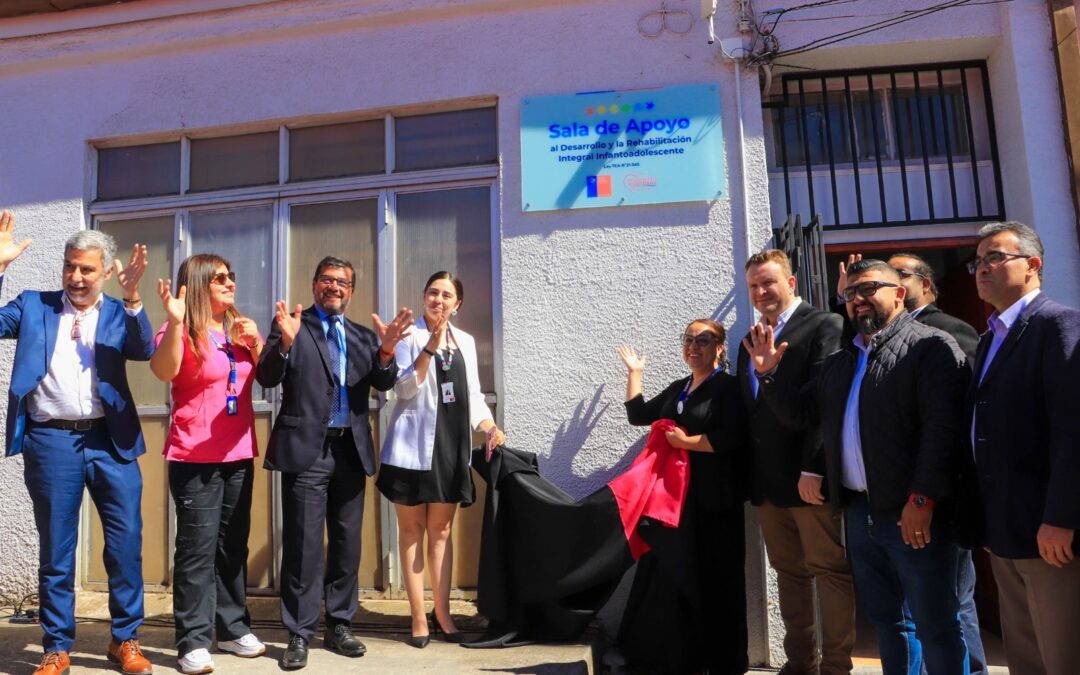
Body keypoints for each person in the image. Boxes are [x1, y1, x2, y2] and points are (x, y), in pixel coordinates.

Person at [745, 259, 970, 675]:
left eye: (870, 289)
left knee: (936, 623)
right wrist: (770, 374)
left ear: (899, 293)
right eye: (851, 294)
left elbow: (943, 433)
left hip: (913, 511)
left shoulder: (931, 346)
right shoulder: (846, 360)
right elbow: (802, 414)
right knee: (891, 621)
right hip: (862, 511)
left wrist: (922, 498)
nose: (859, 301)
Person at [0, 211, 155, 675]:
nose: (76, 276)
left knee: (125, 544)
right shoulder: (34, 305)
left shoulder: (115, 311)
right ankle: (57, 645)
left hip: (112, 441)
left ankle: (125, 639)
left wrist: (131, 298)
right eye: (70, 266)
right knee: (57, 549)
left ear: (105, 271)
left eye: (87, 269)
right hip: (50, 442)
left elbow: (144, 349)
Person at [256, 256, 413, 670]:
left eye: (343, 282)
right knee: (304, 545)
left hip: (349, 450)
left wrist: (386, 352)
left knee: (347, 543)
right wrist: (285, 344)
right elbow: (268, 377)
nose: (335, 287)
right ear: (314, 284)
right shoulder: (291, 324)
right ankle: (300, 633)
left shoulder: (362, 337)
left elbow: (382, 382)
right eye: (327, 280)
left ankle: (340, 624)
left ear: (352, 291)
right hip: (306, 452)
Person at [965, 221, 1080, 675]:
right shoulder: (990, 337)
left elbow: (1073, 430)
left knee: (1063, 656)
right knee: (1025, 657)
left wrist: (1062, 517)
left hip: (1048, 532)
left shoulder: (1058, 324)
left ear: (1032, 265)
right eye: (978, 261)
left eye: (995, 257)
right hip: (1005, 528)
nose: (982, 268)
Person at [737, 250, 854, 675]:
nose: (761, 291)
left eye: (768, 282)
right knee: (790, 574)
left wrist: (814, 467)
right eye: (753, 285)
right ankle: (800, 664)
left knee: (829, 571)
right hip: (767, 484)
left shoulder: (825, 325)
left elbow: (828, 402)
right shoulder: (750, 339)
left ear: (791, 282)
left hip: (808, 480)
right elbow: (751, 412)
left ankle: (837, 666)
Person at [149, 254, 267, 673]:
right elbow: (164, 370)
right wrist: (177, 324)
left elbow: (263, 375)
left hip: (238, 454)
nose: (230, 282)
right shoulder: (180, 328)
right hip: (195, 456)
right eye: (219, 278)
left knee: (232, 545)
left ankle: (233, 629)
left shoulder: (237, 331)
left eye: (231, 276)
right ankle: (193, 640)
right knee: (197, 551)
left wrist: (258, 343)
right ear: (199, 284)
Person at [377, 271, 505, 648]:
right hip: (412, 448)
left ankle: (443, 612)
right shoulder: (409, 336)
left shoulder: (465, 340)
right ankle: (418, 616)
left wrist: (488, 424)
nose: (438, 300)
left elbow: (474, 394)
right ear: (423, 297)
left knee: (442, 532)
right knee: (413, 531)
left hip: (450, 448)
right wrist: (428, 348)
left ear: (457, 303)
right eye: (432, 292)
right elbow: (401, 389)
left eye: (447, 295)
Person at [616, 319, 747, 675]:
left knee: (718, 583)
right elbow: (638, 415)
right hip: (679, 506)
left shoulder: (728, 388)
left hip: (716, 503)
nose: (694, 346)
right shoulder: (681, 387)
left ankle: (723, 664)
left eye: (703, 340)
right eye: (688, 340)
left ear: (720, 347)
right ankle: (686, 660)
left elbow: (733, 437)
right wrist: (635, 373)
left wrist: (686, 443)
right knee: (682, 580)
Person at [888, 251, 985, 675]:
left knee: (953, 602)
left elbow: (954, 415)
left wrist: (929, 490)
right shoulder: (885, 337)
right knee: (920, 604)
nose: (891, 283)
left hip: (941, 495)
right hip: (906, 495)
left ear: (926, 285)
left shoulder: (948, 330)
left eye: (900, 275)